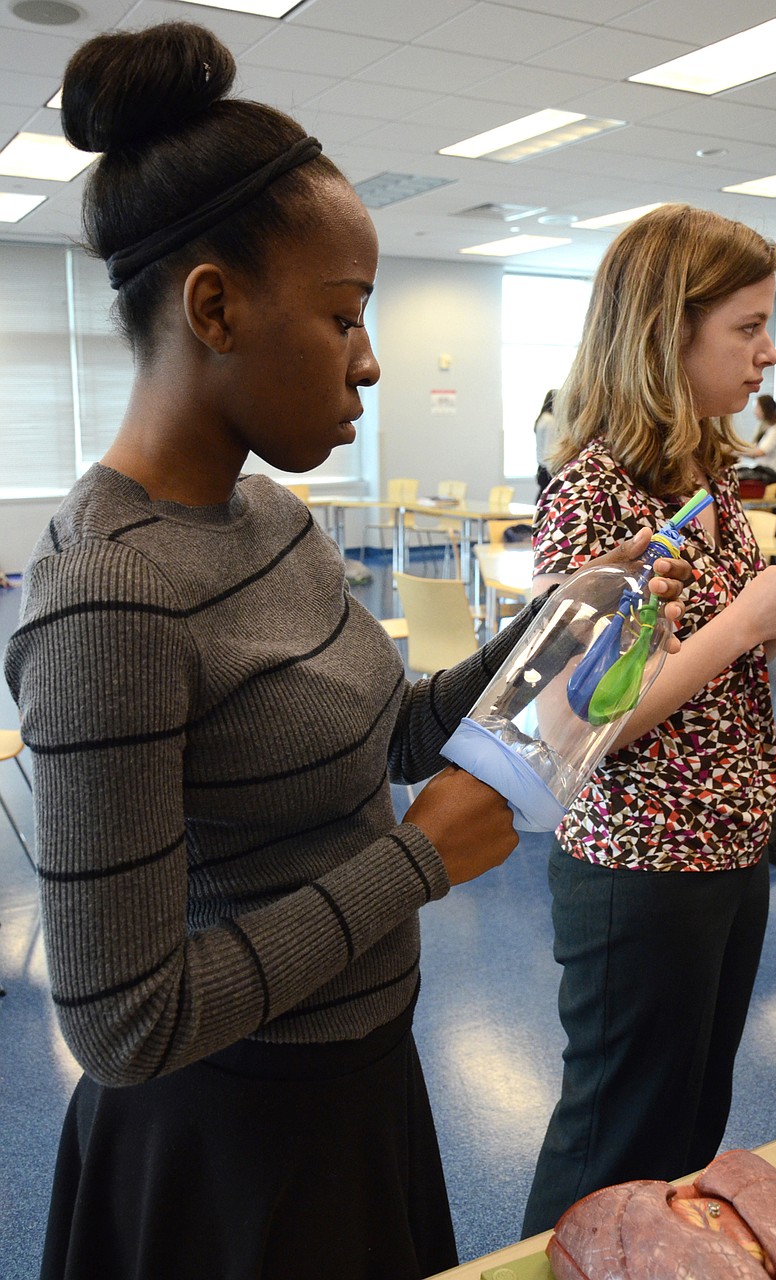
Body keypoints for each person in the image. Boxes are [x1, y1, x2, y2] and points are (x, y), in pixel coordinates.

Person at [2, 24, 691, 1280]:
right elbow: (122, 1020)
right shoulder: (109, 598)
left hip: (359, 1071)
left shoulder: (270, 511)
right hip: (225, 1140)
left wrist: (561, 624)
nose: (370, 359)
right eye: (344, 315)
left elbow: (388, 727)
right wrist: (417, 860)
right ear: (213, 306)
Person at [522, 204, 776, 1236]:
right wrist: (747, 622)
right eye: (745, 325)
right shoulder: (591, 495)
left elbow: (695, 665)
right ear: (669, 331)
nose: (768, 349)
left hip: (725, 845)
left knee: (687, 1127)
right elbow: (575, 724)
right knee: (614, 1140)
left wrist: (770, 624)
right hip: (641, 861)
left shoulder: (701, 473)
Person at [738, 393, 776, 482]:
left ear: (765, 409)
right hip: (764, 473)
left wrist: (736, 450)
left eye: (757, 408)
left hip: (774, 476)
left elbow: (760, 452)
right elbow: (753, 450)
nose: (754, 411)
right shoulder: (762, 427)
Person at [534, 388, 559, 501]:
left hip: (541, 467)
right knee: (546, 500)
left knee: (542, 497)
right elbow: (550, 447)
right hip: (548, 468)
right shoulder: (551, 421)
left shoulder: (542, 419)